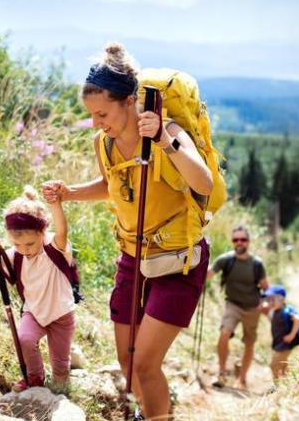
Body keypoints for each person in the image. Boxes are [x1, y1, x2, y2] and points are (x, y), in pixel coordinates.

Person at [41, 42, 214, 420]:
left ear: (130, 101)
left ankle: (156, 415)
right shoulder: (103, 143)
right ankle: (154, 410)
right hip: (132, 258)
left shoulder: (168, 131)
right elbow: (111, 184)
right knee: (127, 362)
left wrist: (164, 143)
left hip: (177, 261)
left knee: (146, 365)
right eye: (91, 115)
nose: (97, 122)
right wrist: (70, 193)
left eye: (102, 113)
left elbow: (203, 184)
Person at [0, 185, 77, 393]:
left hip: (61, 314)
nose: (25, 250)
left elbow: (62, 230)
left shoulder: (54, 248)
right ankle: (35, 378)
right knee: (24, 339)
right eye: (17, 244)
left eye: (30, 243)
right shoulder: (16, 256)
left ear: (43, 232)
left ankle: (61, 388)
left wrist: (56, 205)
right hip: (34, 311)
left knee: (60, 361)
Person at [207, 225, 269, 389]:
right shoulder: (225, 260)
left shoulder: (257, 264)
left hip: (252, 308)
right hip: (232, 304)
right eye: (236, 239)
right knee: (224, 333)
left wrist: (264, 302)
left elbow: (266, 287)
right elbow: (209, 274)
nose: (239, 242)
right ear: (232, 241)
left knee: (249, 343)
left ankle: (241, 379)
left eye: (243, 239)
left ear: (248, 241)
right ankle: (222, 373)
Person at [265, 285, 299, 381]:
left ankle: (277, 385)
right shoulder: (275, 311)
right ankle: (289, 381)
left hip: (286, 344)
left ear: (281, 299)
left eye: (272, 299)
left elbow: (297, 319)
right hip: (280, 343)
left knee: (273, 365)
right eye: (269, 299)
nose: (270, 302)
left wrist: (291, 335)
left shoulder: (287, 310)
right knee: (283, 365)